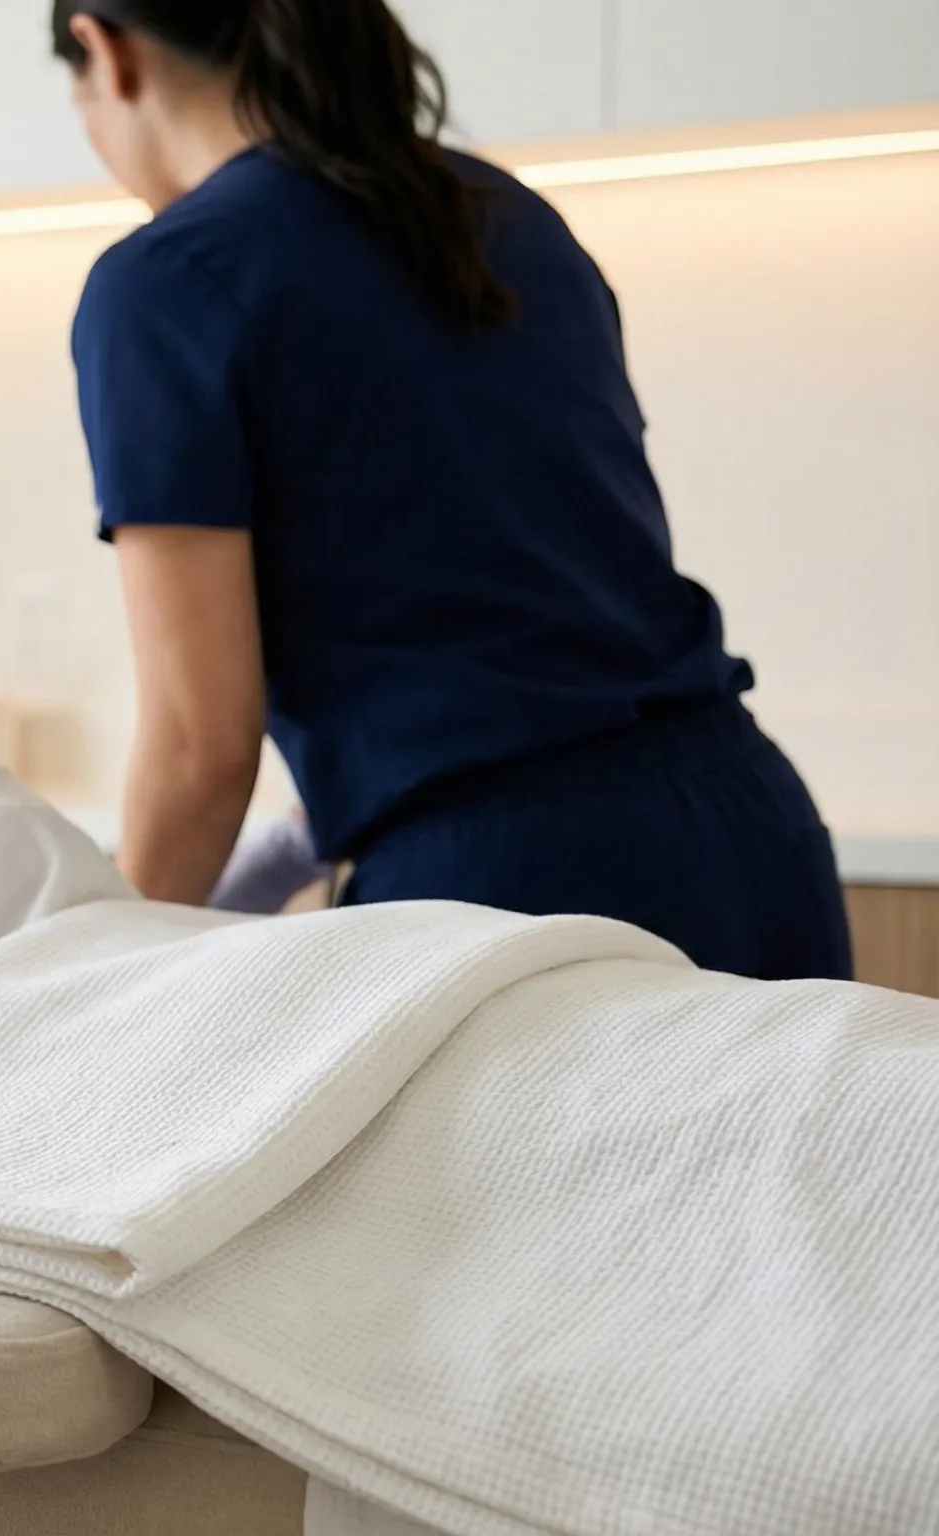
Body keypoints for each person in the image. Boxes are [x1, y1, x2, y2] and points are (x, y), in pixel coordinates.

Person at [54, 0, 852, 980]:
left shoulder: (166, 281)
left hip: (509, 890)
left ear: (102, 47)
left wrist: (82, 987)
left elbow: (198, 750)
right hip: (748, 834)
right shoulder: (508, 217)